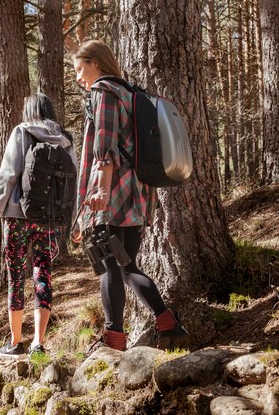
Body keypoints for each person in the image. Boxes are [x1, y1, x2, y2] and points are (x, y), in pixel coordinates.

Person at [70, 40, 189, 352]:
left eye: (80, 69)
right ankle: (168, 324)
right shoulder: (130, 92)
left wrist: (99, 192)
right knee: (127, 267)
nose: (78, 77)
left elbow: (105, 146)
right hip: (136, 193)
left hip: (112, 193)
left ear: (96, 62)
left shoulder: (103, 92)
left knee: (109, 266)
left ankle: (113, 341)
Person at [0, 93, 78, 358]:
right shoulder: (66, 140)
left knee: (15, 276)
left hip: (17, 217)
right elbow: (73, 181)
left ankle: (16, 343)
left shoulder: (22, 131)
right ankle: (39, 342)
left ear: (29, 110)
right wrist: (74, 222)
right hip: (48, 218)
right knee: (43, 272)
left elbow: (8, 174)